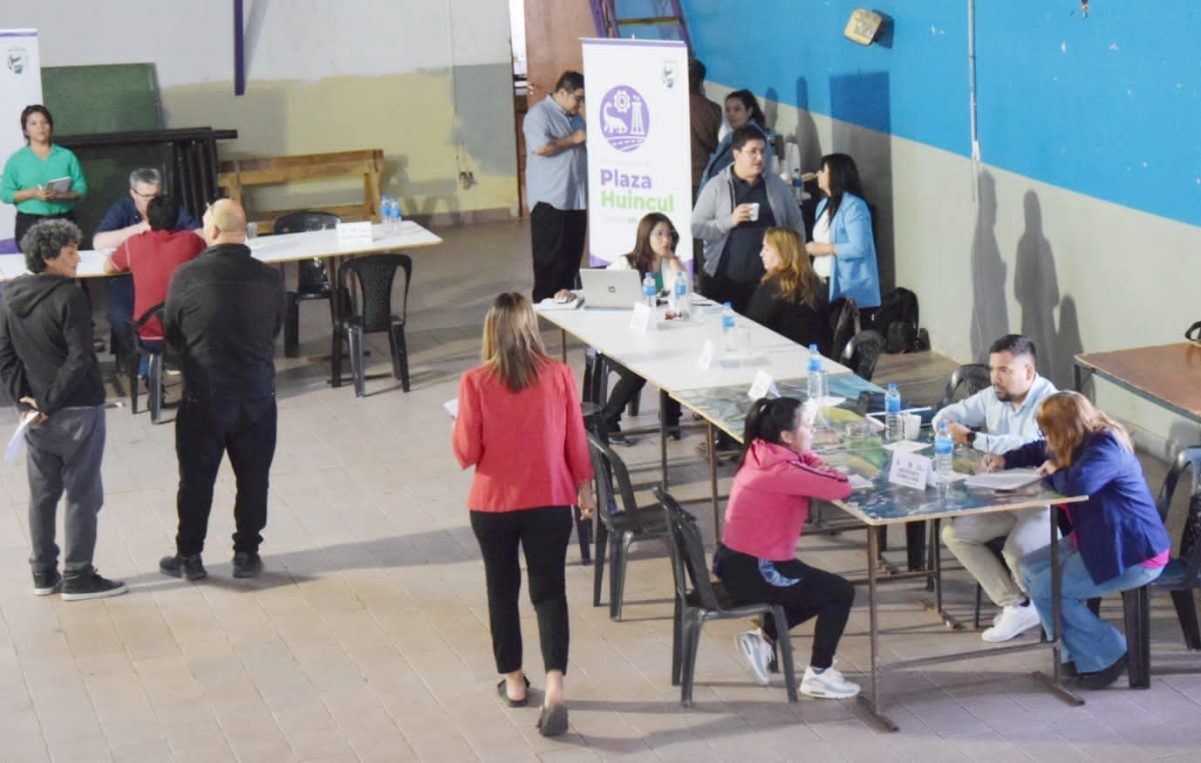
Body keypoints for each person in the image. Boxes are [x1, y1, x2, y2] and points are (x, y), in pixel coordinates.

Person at [453, 292, 595, 737]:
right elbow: (576, 441)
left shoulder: (475, 382)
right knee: (549, 593)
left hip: (493, 504)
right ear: (532, 328)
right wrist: (585, 489)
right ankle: (555, 684)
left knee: (502, 589)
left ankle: (514, 681)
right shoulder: (561, 376)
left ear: (491, 331)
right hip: (551, 499)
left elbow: (466, 453)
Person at [983, 391, 1170, 689]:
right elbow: (1039, 451)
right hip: (1097, 540)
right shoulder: (1078, 438)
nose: (1045, 438)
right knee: (1030, 567)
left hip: (1134, 552)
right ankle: (1069, 651)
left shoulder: (1107, 446)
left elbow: (1077, 483)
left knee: (1048, 589)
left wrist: (1051, 474)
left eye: (1048, 431)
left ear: (1065, 428)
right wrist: (1007, 459)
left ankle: (1109, 653)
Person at [159, 199, 285, 582]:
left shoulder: (186, 276)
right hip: (257, 394)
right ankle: (246, 553)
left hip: (205, 396)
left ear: (211, 231)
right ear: (243, 231)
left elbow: (172, 333)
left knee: (196, 480)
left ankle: (189, 557)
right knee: (254, 478)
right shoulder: (270, 278)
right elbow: (276, 328)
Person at [0, 220, 125, 601]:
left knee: (42, 495)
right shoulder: (69, 295)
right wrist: (50, 401)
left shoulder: (8, 295)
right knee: (83, 493)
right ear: (49, 257)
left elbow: (5, 355)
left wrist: (25, 402)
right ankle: (78, 576)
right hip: (78, 408)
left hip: (35, 416)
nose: (77, 257)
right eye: (70, 251)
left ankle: (43, 573)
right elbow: (80, 357)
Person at [713, 397, 860, 699]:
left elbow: (802, 463)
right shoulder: (782, 472)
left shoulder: (761, 452)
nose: (812, 429)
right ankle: (819, 674)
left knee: (817, 587)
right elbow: (841, 487)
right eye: (806, 425)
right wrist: (826, 468)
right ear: (786, 436)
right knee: (839, 592)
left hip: (738, 561)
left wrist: (812, 460)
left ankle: (764, 638)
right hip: (756, 569)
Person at [933, 334, 1058, 642]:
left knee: (1016, 551)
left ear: (1029, 372)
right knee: (954, 533)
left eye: (1004, 370)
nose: (995, 378)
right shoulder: (993, 394)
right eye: (992, 369)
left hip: (1044, 501)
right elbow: (947, 415)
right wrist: (947, 426)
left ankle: (1046, 609)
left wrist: (974, 439)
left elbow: (1030, 447)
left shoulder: (1051, 402)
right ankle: (1016, 604)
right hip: (1004, 494)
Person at [561, 213, 685, 442]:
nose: (665, 239)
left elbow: (683, 291)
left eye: (669, 234)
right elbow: (597, 290)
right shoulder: (625, 263)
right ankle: (609, 419)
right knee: (639, 371)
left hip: (656, 337)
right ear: (645, 236)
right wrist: (572, 294)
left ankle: (670, 420)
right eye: (659, 234)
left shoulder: (670, 265)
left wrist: (674, 258)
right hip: (618, 340)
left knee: (673, 360)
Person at [692, 126, 805, 314]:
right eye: (753, 152)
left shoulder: (775, 184)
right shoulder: (717, 186)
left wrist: (795, 258)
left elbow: (795, 221)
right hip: (725, 281)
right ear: (736, 154)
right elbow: (697, 227)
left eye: (763, 151)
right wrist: (729, 221)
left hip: (770, 283)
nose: (760, 158)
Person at [93, 168, 201, 362]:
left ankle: (164, 359)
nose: (153, 202)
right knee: (120, 314)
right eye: (146, 196)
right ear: (133, 193)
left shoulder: (168, 206)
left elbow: (199, 233)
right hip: (128, 279)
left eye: (157, 195)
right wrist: (143, 228)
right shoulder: (123, 209)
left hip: (170, 280)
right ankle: (138, 360)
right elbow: (99, 242)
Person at [525, 71, 587, 303]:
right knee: (549, 260)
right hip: (550, 201)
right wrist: (572, 139)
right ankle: (544, 305)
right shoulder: (538, 115)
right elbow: (541, 147)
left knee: (571, 258)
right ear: (562, 93)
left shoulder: (576, 117)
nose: (580, 105)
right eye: (577, 98)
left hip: (577, 199)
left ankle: (566, 301)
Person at [0, 105, 87, 246]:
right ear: (25, 130)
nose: (40, 127)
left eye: (44, 122)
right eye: (33, 123)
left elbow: (81, 188)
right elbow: (5, 194)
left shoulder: (66, 156)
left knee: (68, 263)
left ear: (51, 127)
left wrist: (59, 195)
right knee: (36, 265)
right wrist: (32, 193)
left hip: (64, 220)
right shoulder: (16, 160)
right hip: (30, 223)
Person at [805, 154, 881, 311]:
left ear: (835, 174)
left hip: (844, 288)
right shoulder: (822, 205)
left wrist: (825, 249)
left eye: (822, 170)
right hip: (820, 282)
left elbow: (859, 247)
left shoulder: (854, 206)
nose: (817, 174)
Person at [746, 227, 831, 354]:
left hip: (779, 356)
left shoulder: (773, 287)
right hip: (817, 357)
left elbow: (753, 326)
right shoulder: (815, 284)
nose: (761, 253)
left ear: (782, 254)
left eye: (767, 249)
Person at [698, 90, 775, 190]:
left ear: (749, 111)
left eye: (737, 109)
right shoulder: (731, 136)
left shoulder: (755, 138)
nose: (731, 114)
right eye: (728, 110)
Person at [688, 59, 722, 198]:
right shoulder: (712, 109)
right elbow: (722, 146)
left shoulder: (665, 104)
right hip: (700, 178)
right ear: (701, 82)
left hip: (671, 177)